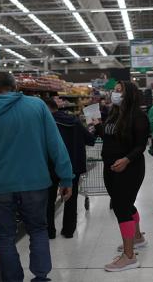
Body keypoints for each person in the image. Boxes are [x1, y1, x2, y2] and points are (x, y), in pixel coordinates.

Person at [0, 72, 74, 282]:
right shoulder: (37, 106)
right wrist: (66, 177)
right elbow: (56, 145)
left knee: (5, 237)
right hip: (35, 182)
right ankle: (41, 277)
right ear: (16, 87)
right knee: (38, 230)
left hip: (0, 186)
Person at [94, 81, 149, 272]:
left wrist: (126, 159)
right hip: (110, 166)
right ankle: (137, 238)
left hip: (129, 167)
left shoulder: (138, 116)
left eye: (119, 91)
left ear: (130, 95)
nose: (115, 94)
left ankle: (129, 256)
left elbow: (141, 145)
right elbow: (110, 138)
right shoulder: (113, 114)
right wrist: (98, 127)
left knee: (121, 207)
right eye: (114, 91)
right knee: (124, 203)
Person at [44, 99, 96, 239]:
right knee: (70, 197)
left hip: (50, 165)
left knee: (48, 199)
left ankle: (49, 232)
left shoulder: (45, 123)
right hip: (74, 164)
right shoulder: (75, 121)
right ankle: (68, 230)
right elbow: (90, 140)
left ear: (46, 109)